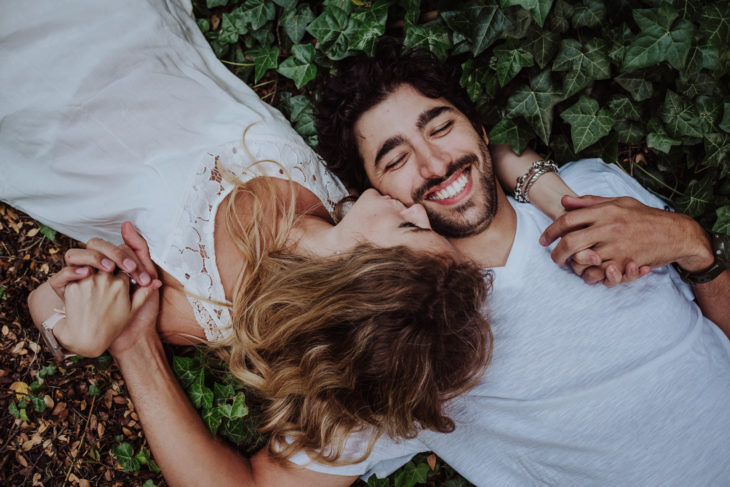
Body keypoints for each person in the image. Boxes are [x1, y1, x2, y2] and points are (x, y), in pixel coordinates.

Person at [2, 1, 600, 484]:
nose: (416, 206)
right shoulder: (347, 205)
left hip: (43, 105)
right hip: (138, 34)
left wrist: (88, 337)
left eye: (408, 226)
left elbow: (54, 304)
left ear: (356, 273)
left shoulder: (205, 309)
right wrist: (547, 185)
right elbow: (456, 158)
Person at [305, 39, 730, 484]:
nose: (435, 163)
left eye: (441, 128)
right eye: (396, 159)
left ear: (482, 130)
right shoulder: (403, 334)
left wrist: (693, 245)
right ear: (375, 198)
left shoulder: (593, 189)